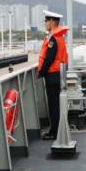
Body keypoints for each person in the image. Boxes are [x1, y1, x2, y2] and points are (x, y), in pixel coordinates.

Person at [36, 10, 68, 140]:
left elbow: (49, 58)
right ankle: (55, 129)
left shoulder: (53, 38)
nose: (45, 24)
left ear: (52, 22)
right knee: (56, 104)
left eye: (46, 21)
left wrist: (41, 73)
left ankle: (54, 132)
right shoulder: (58, 37)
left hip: (53, 75)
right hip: (57, 74)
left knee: (53, 105)